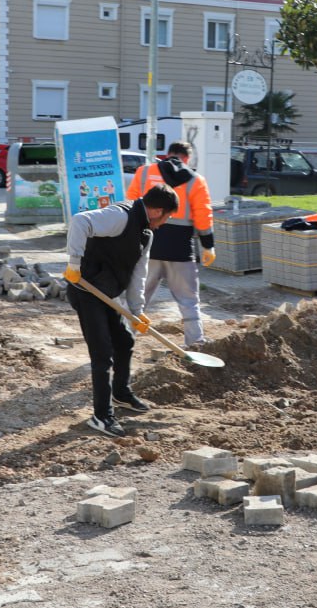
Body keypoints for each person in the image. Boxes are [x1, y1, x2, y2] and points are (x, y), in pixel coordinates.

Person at [64, 184, 179, 437]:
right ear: (158, 210)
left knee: (124, 340)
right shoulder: (121, 216)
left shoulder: (146, 233)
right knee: (102, 353)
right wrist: (74, 262)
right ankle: (101, 416)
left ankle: (121, 394)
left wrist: (136, 311)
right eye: (168, 216)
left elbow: (139, 273)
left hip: (108, 293)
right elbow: (80, 221)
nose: (165, 222)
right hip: (86, 290)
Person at [126, 141, 215, 347]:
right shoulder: (196, 180)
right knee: (188, 300)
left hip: (148, 244)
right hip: (180, 249)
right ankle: (195, 341)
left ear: (167, 155)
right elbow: (203, 214)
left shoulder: (144, 172)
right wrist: (208, 245)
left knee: (137, 298)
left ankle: (124, 337)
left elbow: (130, 204)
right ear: (187, 158)